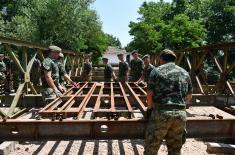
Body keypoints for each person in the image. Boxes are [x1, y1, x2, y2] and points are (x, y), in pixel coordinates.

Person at [145, 49, 193, 155]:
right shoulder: (184, 72)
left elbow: (149, 93)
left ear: (161, 59)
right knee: (175, 150)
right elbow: (189, 96)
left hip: (161, 113)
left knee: (151, 148)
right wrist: (180, 107)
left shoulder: (156, 71)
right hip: (180, 115)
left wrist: (150, 108)